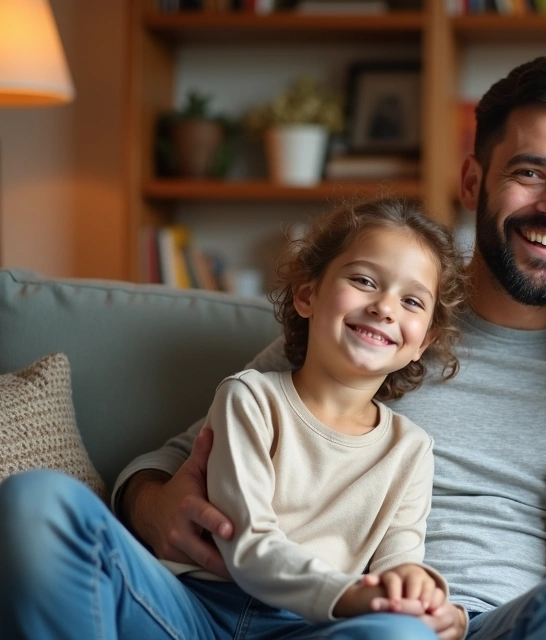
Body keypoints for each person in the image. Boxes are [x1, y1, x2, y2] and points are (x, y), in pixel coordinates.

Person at [7, 51, 546, 640]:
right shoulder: (357, 331)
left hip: (478, 623)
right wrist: (150, 503)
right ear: (474, 181)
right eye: (529, 172)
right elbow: (178, 459)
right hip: (340, 618)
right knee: (36, 501)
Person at [0, 197, 468, 638]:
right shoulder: (249, 396)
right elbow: (245, 545)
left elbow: (399, 563)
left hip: (308, 627)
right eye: (363, 280)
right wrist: (348, 595)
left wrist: (415, 589)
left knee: (403, 632)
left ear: (422, 343)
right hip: (190, 611)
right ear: (307, 296)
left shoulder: (411, 449)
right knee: (37, 496)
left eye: (412, 301)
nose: (384, 307)